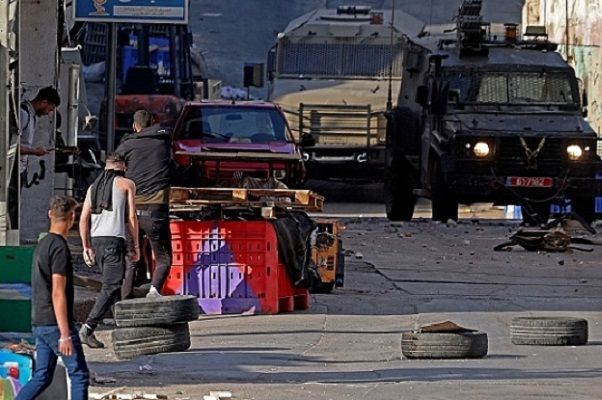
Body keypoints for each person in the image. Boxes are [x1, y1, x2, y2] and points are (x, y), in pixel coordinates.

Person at [16, 196, 89, 400]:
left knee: (42, 376)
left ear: (50, 215)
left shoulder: (42, 244)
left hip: (39, 321)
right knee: (79, 375)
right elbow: (57, 291)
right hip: (55, 323)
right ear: (72, 217)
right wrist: (65, 334)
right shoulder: (59, 248)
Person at [79, 153, 139, 348]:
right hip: (114, 241)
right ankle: (88, 328)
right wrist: (136, 245)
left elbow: (83, 219)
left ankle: (122, 329)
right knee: (111, 286)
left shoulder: (93, 188)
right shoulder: (127, 184)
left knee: (112, 286)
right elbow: (132, 218)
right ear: (124, 166)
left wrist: (86, 246)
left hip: (97, 241)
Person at [116, 109, 173, 299]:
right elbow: (173, 168)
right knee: (163, 258)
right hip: (156, 212)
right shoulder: (164, 142)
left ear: (135, 126)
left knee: (132, 259)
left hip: (131, 212)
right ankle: (154, 290)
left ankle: (122, 304)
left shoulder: (126, 145)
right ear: (152, 123)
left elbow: (112, 168)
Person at [8, 86, 60, 229]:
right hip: (12, 168)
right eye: (50, 108)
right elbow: (10, 145)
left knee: (15, 206)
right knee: (10, 207)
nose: (49, 113)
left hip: (20, 168)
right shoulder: (23, 114)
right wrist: (34, 151)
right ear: (44, 102)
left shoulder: (31, 116)